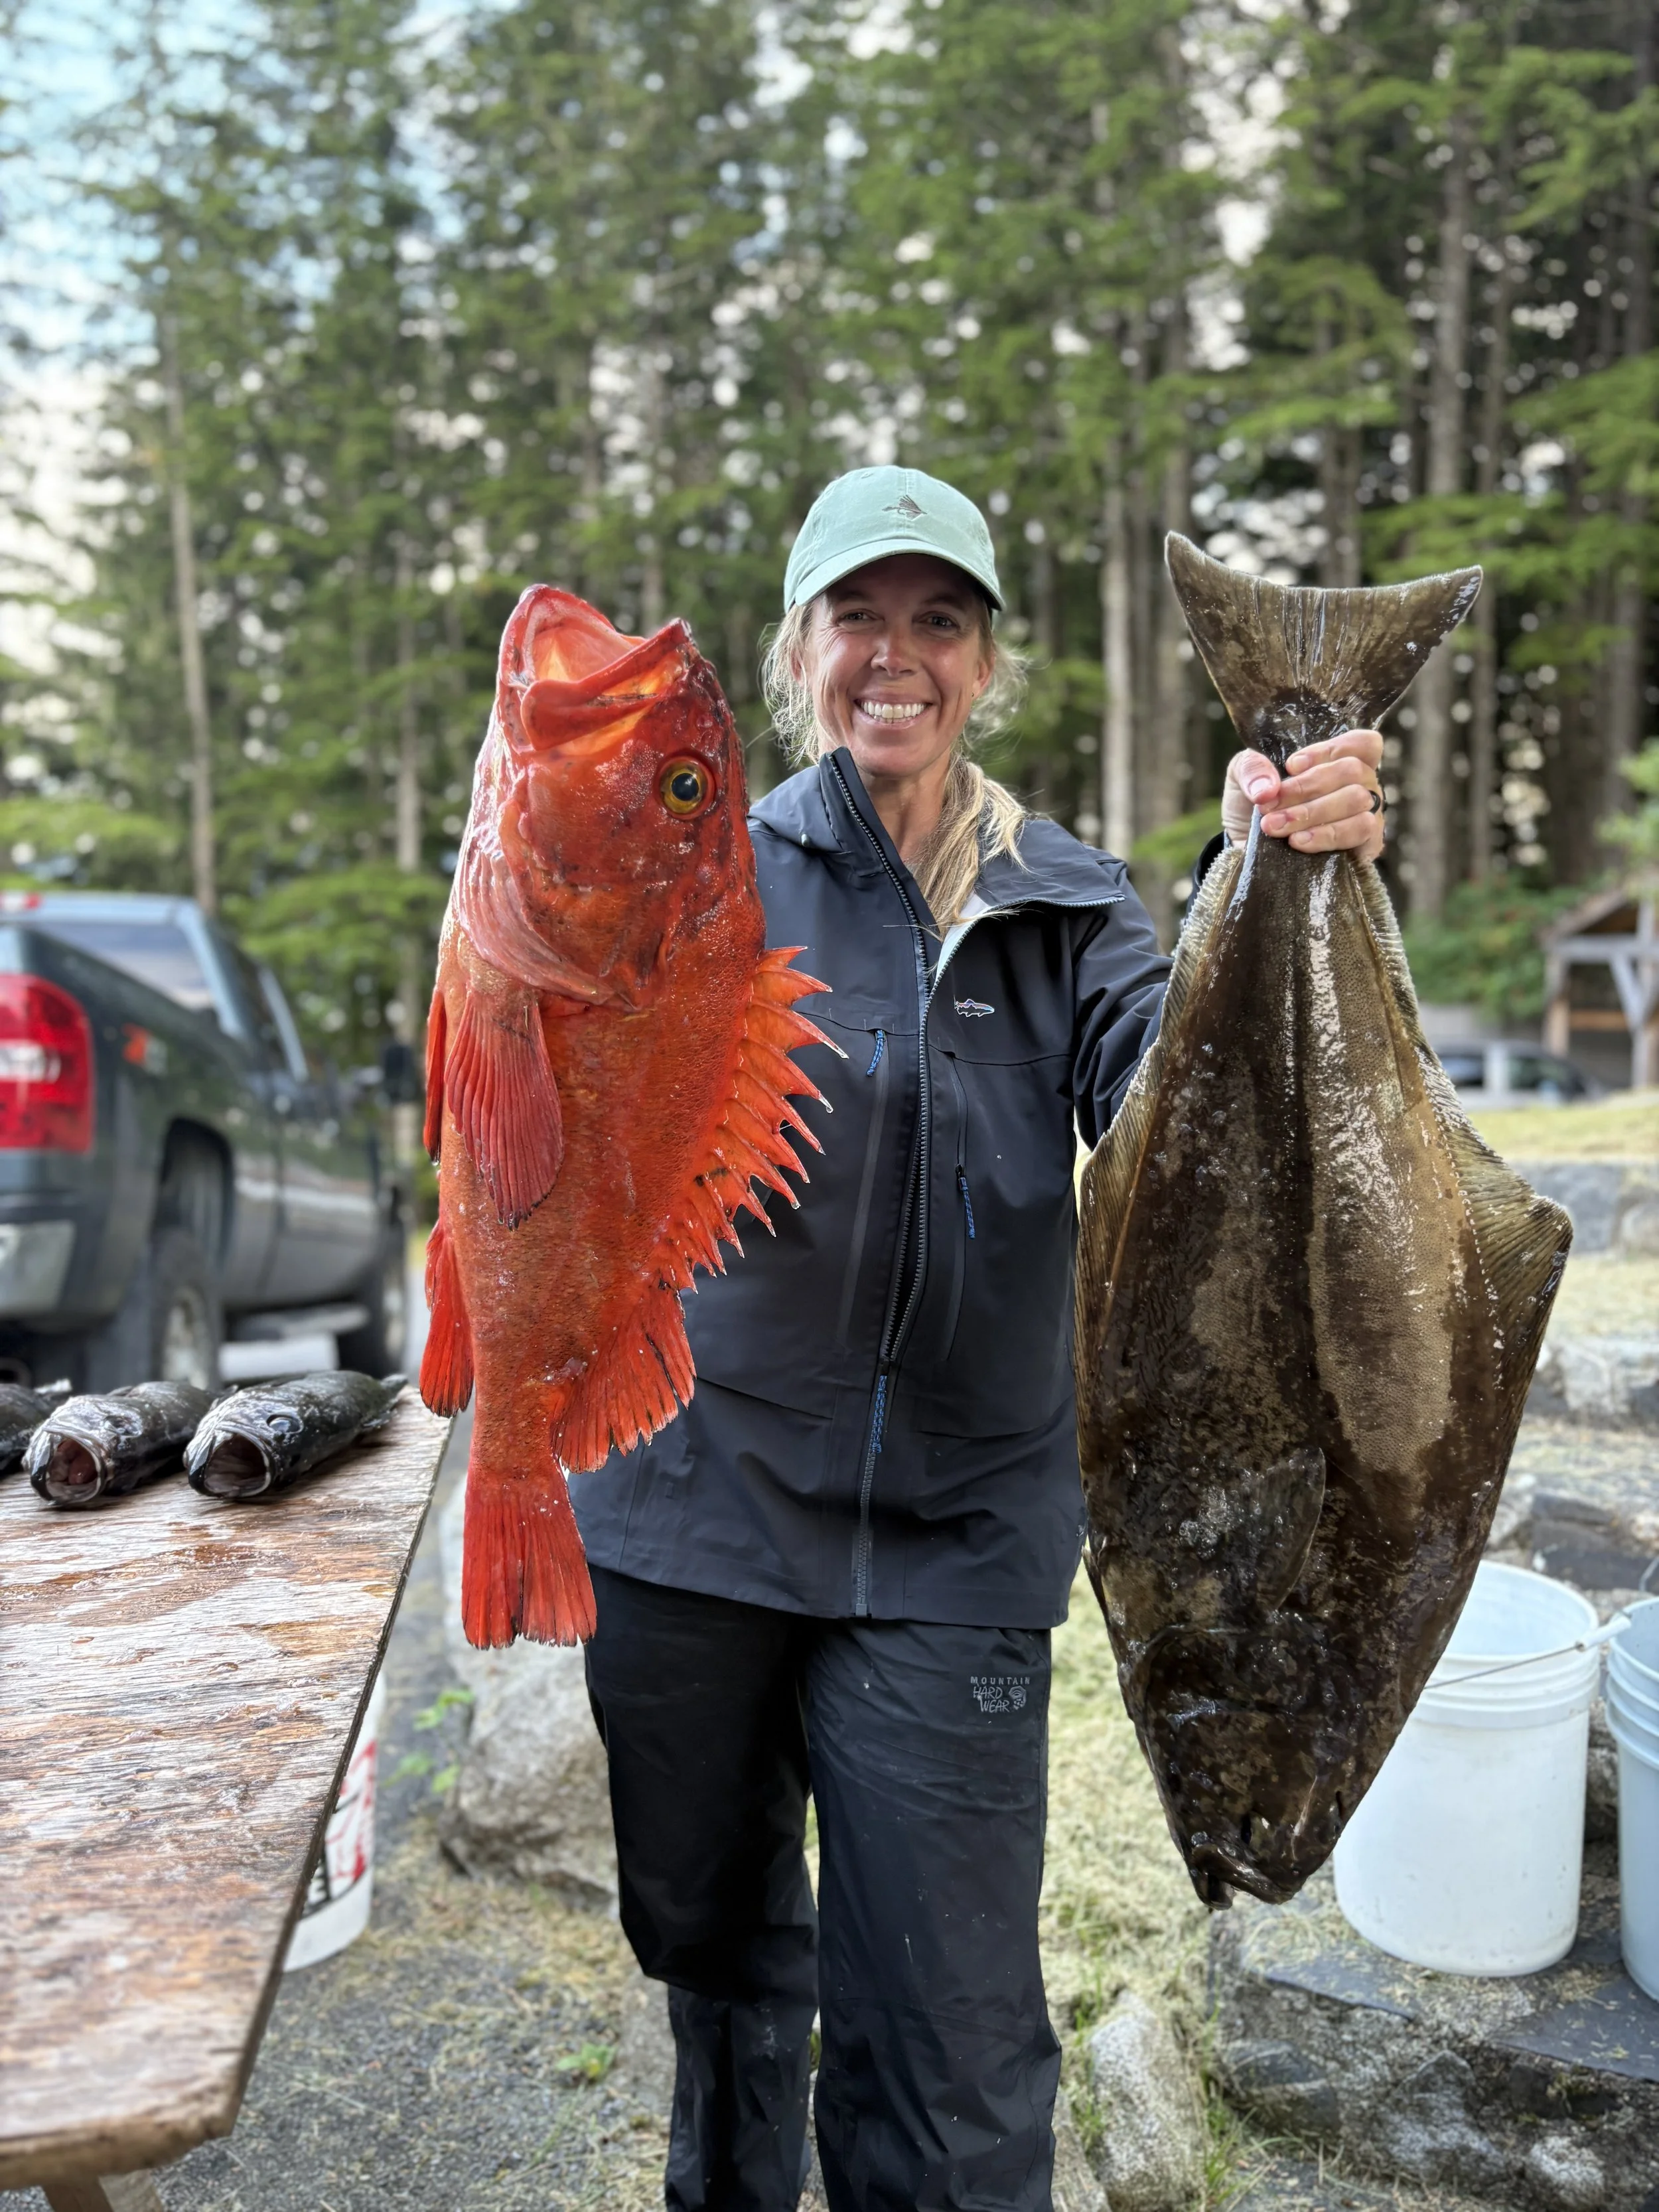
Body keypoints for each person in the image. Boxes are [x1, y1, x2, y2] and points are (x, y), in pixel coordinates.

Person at [569, 467, 1386, 2212]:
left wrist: (1270, 874)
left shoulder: (1067, 900)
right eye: (857, 616)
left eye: (938, 619)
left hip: (953, 1535)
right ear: (796, 649)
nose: (897, 654)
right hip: (695, 1508)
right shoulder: (702, 874)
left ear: (986, 664)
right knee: (713, 1953)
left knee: (947, 2051)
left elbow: (1186, 1123)